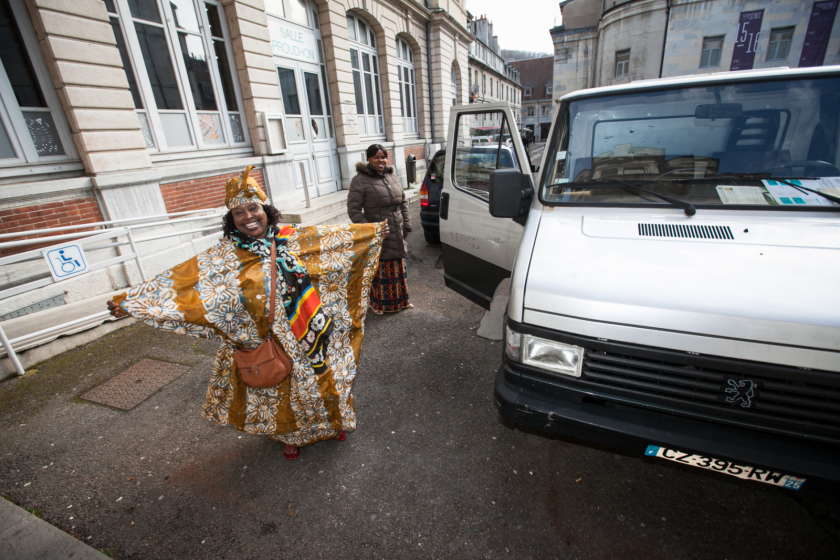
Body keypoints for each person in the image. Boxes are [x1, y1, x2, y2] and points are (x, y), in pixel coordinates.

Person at [106, 166, 383, 461]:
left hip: (307, 330)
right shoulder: (223, 257)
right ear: (231, 220)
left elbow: (336, 241)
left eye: (253, 208)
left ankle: (329, 424)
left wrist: (374, 231)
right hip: (265, 339)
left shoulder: (293, 238)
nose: (248, 217)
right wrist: (131, 301)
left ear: (266, 210)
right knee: (280, 392)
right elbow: (182, 284)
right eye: (239, 213)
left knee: (320, 382)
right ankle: (290, 436)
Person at [347, 144, 413, 314]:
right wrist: (372, 229)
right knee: (382, 270)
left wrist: (406, 224)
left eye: (383, 157)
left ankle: (402, 302)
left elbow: (403, 202)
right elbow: (354, 210)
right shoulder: (360, 180)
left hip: (397, 230)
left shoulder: (392, 176)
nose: (380, 160)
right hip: (380, 233)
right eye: (376, 157)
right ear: (368, 159)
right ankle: (379, 305)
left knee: (398, 267)